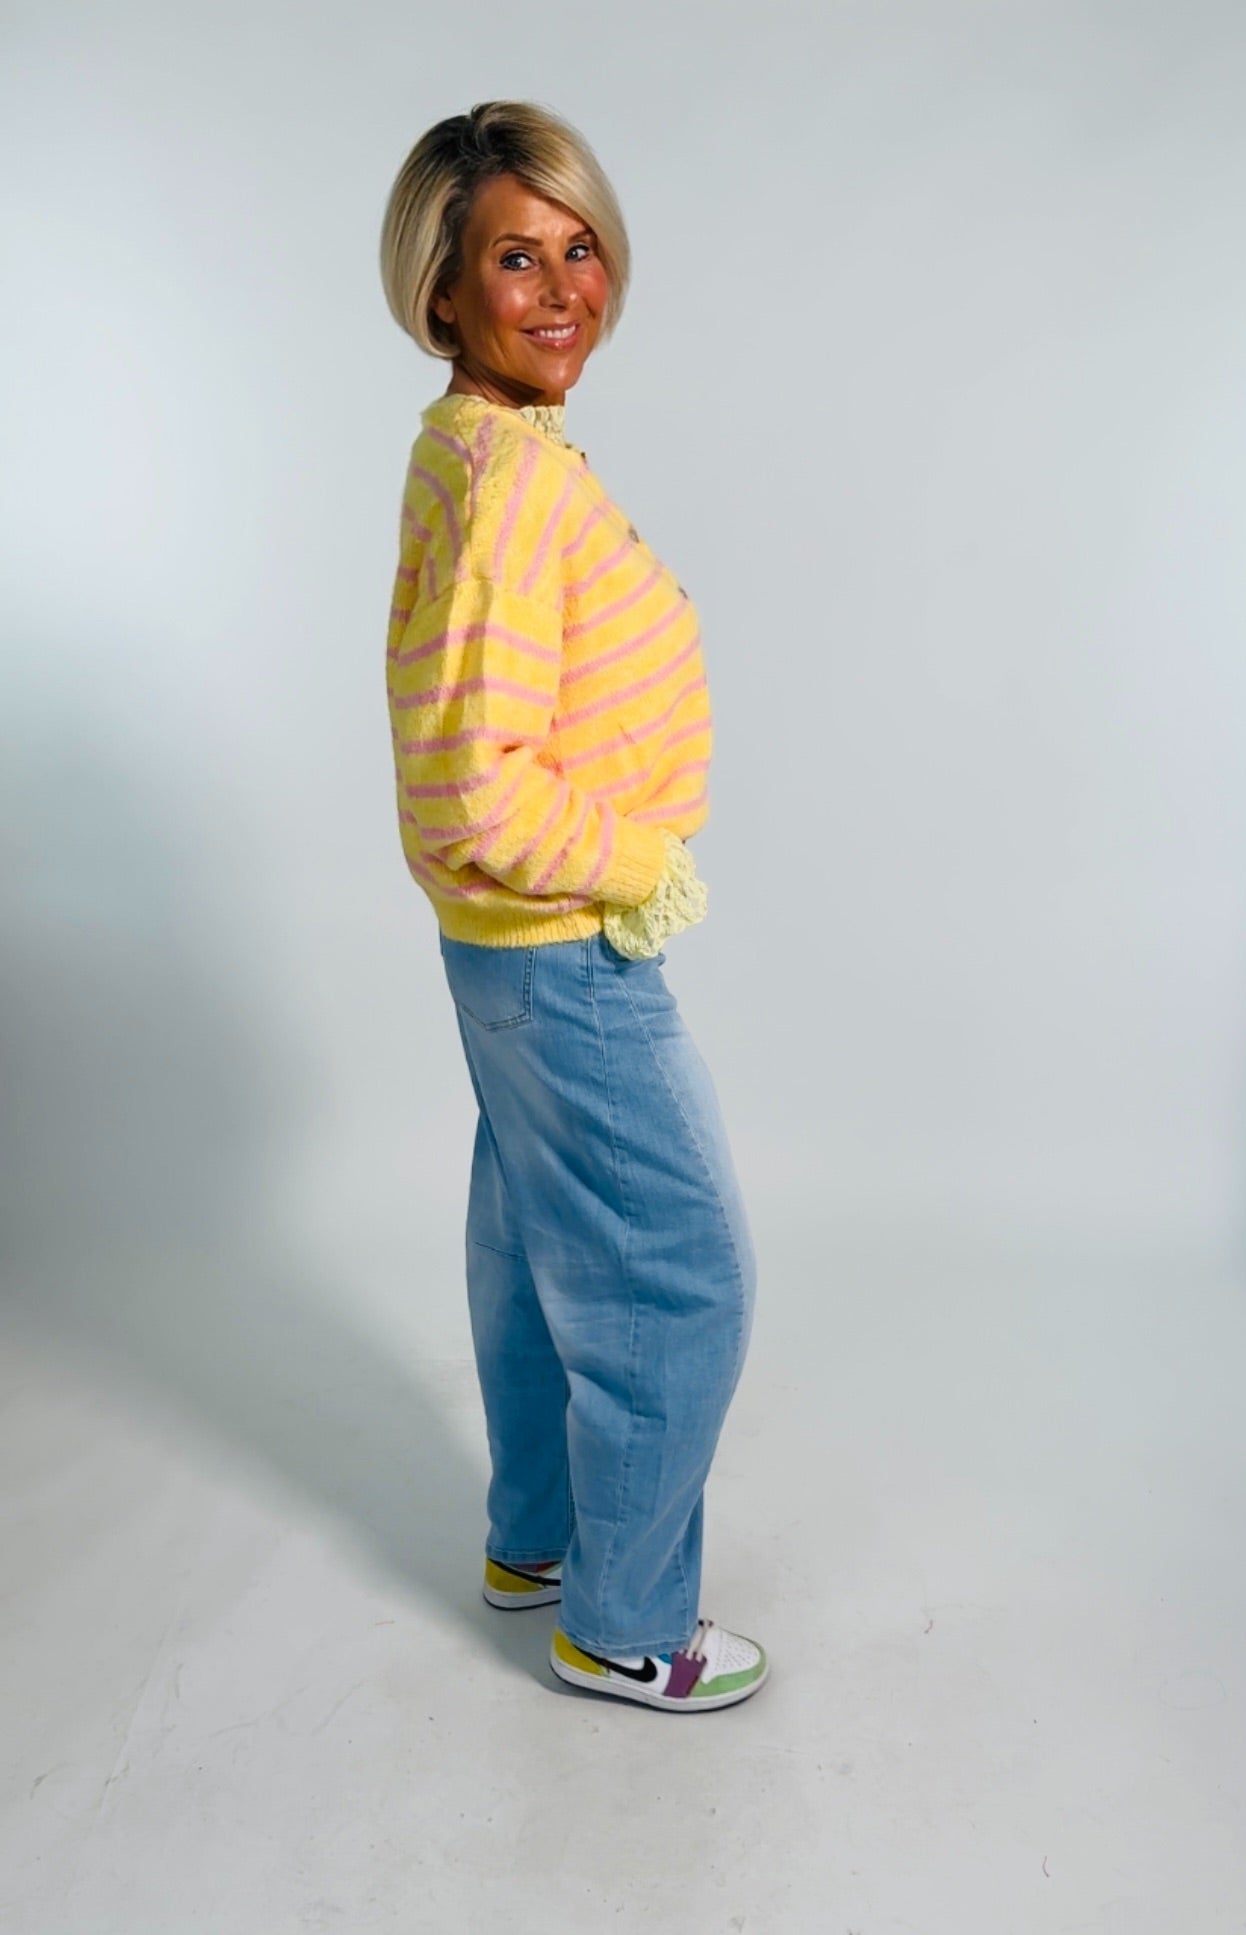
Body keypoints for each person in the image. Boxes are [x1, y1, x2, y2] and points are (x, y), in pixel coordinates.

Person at [378, 100, 767, 1712]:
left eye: (579, 248)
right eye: (514, 260)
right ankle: (623, 1623)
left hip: (502, 957)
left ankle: (536, 1540)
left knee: (540, 1250)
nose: (561, 291)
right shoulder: (508, 485)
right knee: (683, 1277)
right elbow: (475, 784)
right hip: (563, 951)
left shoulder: (478, 447)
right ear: (441, 290)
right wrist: (635, 865)